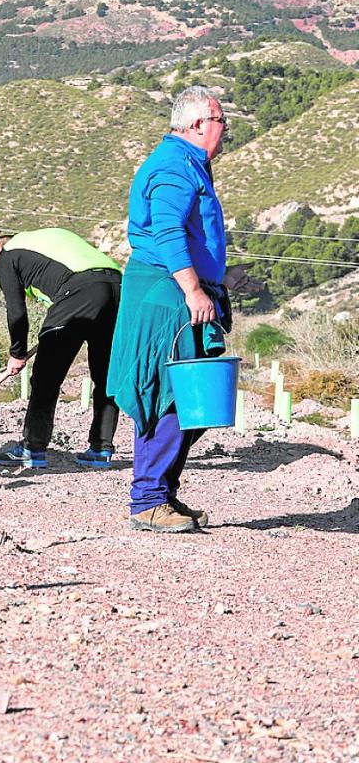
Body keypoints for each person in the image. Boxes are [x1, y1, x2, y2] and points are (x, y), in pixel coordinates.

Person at [108, 85, 231, 533]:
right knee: (167, 394)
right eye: (221, 122)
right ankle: (147, 500)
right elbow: (166, 232)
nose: (224, 131)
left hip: (178, 289)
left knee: (190, 396)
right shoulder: (173, 166)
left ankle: (163, 494)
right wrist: (194, 290)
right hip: (167, 294)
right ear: (199, 124)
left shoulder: (188, 164)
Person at [0, 228, 122, 469]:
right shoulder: (46, 245)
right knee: (106, 377)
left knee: (46, 377)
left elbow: (16, 311)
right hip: (117, 287)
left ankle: (32, 449)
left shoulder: (6, 254)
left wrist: (17, 352)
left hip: (80, 289)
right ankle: (100, 450)